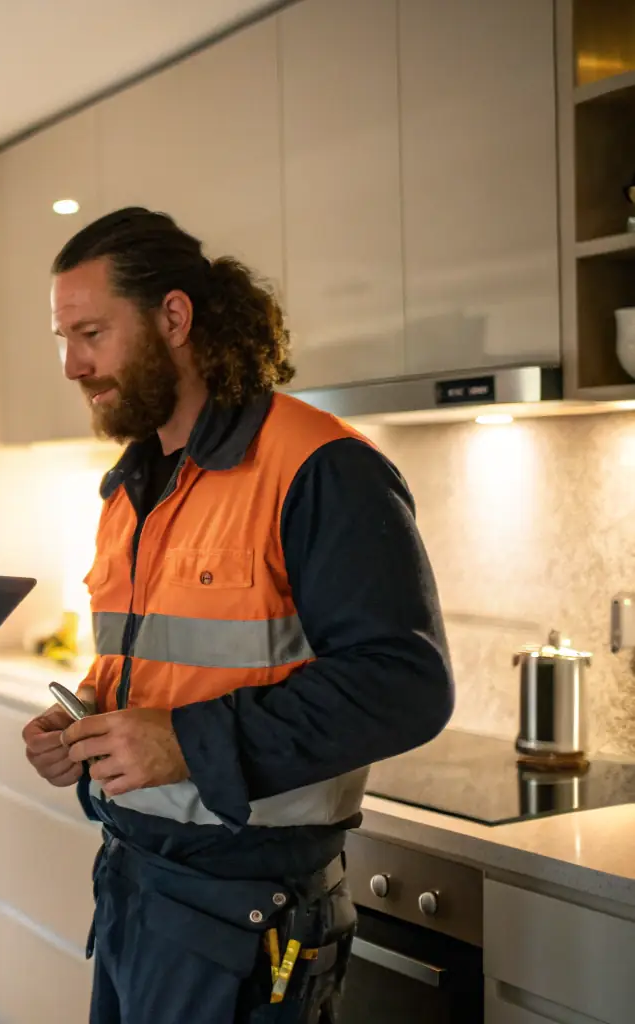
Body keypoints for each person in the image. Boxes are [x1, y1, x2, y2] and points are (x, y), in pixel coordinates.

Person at [22, 208, 453, 1024]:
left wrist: (182, 742)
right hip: (132, 884)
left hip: (248, 910)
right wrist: (84, 727)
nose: (72, 365)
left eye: (89, 333)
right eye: (62, 338)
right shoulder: (132, 485)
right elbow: (162, 667)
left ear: (173, 318)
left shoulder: (319, 467)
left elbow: (405, 686)